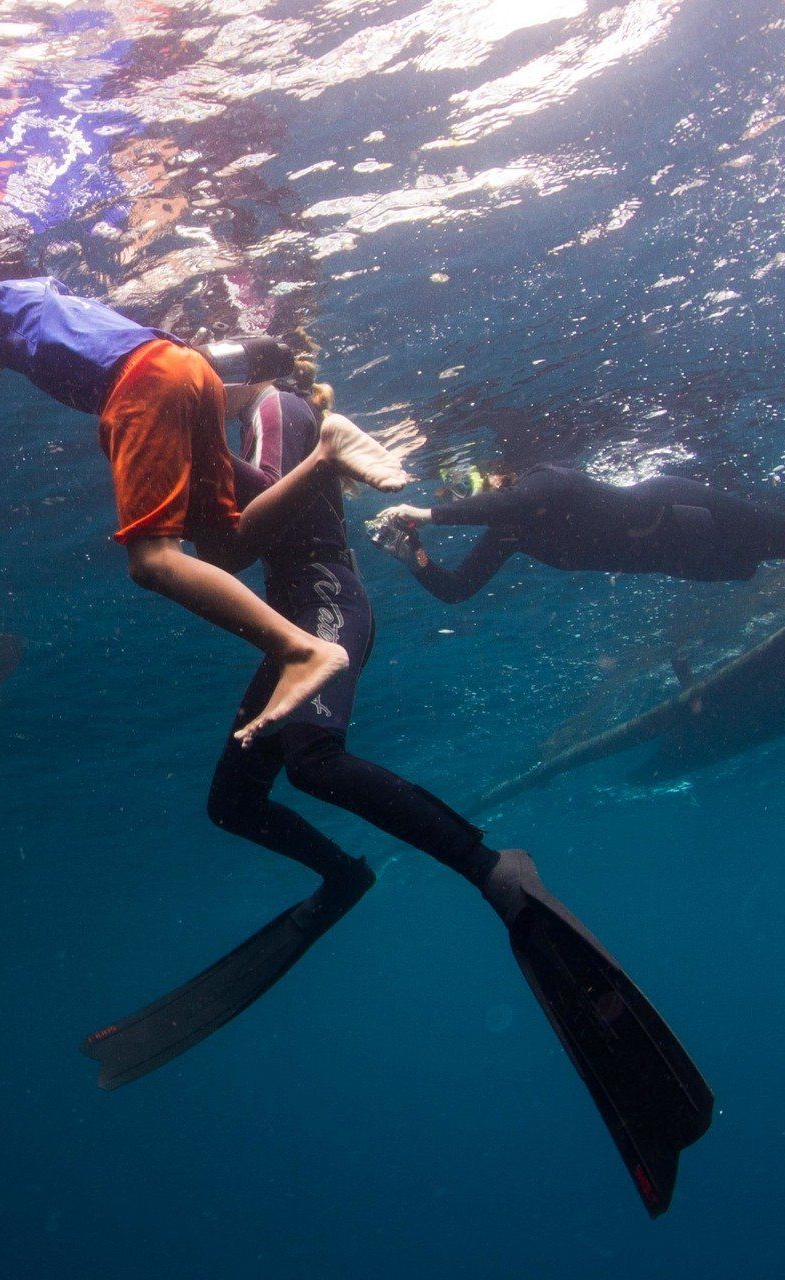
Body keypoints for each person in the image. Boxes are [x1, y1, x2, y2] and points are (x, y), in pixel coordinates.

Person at [79, 382, 715, 1218]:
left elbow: (251, 508)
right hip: (298, 615)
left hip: (328, 601)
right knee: (233, 804)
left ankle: (492, 867)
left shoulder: (274, 406)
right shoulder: (257, 411)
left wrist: (178, 439)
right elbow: (245, 516)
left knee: (312, 761)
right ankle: (343, 877)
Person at [0, 243, 411, 743]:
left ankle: (300, 651)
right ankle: (326, 456)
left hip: (141, 384)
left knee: (153, 562)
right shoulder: (53, 298)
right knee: (224, 552)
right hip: (187, 371)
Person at [372, 461, 785, 602]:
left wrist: (426, 513)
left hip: (701, 515)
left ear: (500, 472)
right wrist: (415, 554)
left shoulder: (549, 481)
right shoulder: (509, 534)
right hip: (694, 559)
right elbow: (457, 588)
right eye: (458, 491)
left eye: (470, 484)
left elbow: (512, 502)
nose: (467, 496)